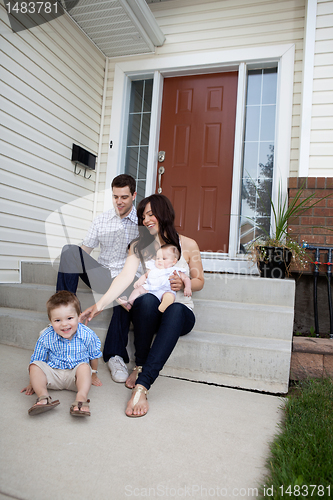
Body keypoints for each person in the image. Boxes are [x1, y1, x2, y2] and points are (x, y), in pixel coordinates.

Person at [80, 194, 204, 418]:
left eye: (150, 214)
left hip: (180, 312)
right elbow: (125, 278)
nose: (146, 220)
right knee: (145, 299)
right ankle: (140, 364)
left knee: (175, 308)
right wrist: (98, 305)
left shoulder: (188, 244)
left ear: (163, 213)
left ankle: (142, 385)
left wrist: (183, 284)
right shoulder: (138, 246)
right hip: (151, 313)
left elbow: (199, 281)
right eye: (142, 216)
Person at [56, 174, 139, 384]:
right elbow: (85, 250)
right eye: (115, 196)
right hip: (101, 274)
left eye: (124, 197)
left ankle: (115, 356)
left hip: (126, 278)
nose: (119, 201)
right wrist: (73, 259)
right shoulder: (101, 219)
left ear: (134, 196)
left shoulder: (142, 223)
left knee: (124, 296)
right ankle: (63, 313)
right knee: (70, 251)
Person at [21, 291, 102, 417]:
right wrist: (33, 382)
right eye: (58, 320)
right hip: (54, 375)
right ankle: (43, 397)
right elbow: (38, 358)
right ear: (50, 320)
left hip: (75, 378)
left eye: (69, 318)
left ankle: (81, 398)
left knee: (85, 367)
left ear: (78, 316)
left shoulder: (87, 334)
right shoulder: (46, 336)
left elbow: (94, 355)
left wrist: (94, 373)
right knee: (34, 365)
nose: (64, 324)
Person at [117, 244, 191, 313]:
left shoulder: (174, 270)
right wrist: (140, 281)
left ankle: (165, 304)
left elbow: (186, 279)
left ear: (174, 261)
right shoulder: (153, 269)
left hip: (165, 291)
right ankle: (129, 303)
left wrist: (187, 287)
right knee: (138, 290)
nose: (159, 260)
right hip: (150, 291)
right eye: (158, 258)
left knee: (169, 295)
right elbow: (145, 275)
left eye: (164, 258)